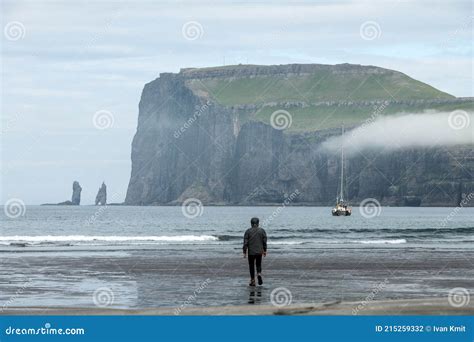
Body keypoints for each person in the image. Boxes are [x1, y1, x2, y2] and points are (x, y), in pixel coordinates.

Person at [243, 217, 267, 286]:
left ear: (251, 224)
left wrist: (244, 251)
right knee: (258, 264)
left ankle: (253, 280)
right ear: (258, 223)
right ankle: (259, 273)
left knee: (251, 265)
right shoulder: (262, 231)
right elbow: (264, 241)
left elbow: (245, 243)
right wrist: (265, 250)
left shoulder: (248, 231)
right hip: (259, 251)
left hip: (251, 252)